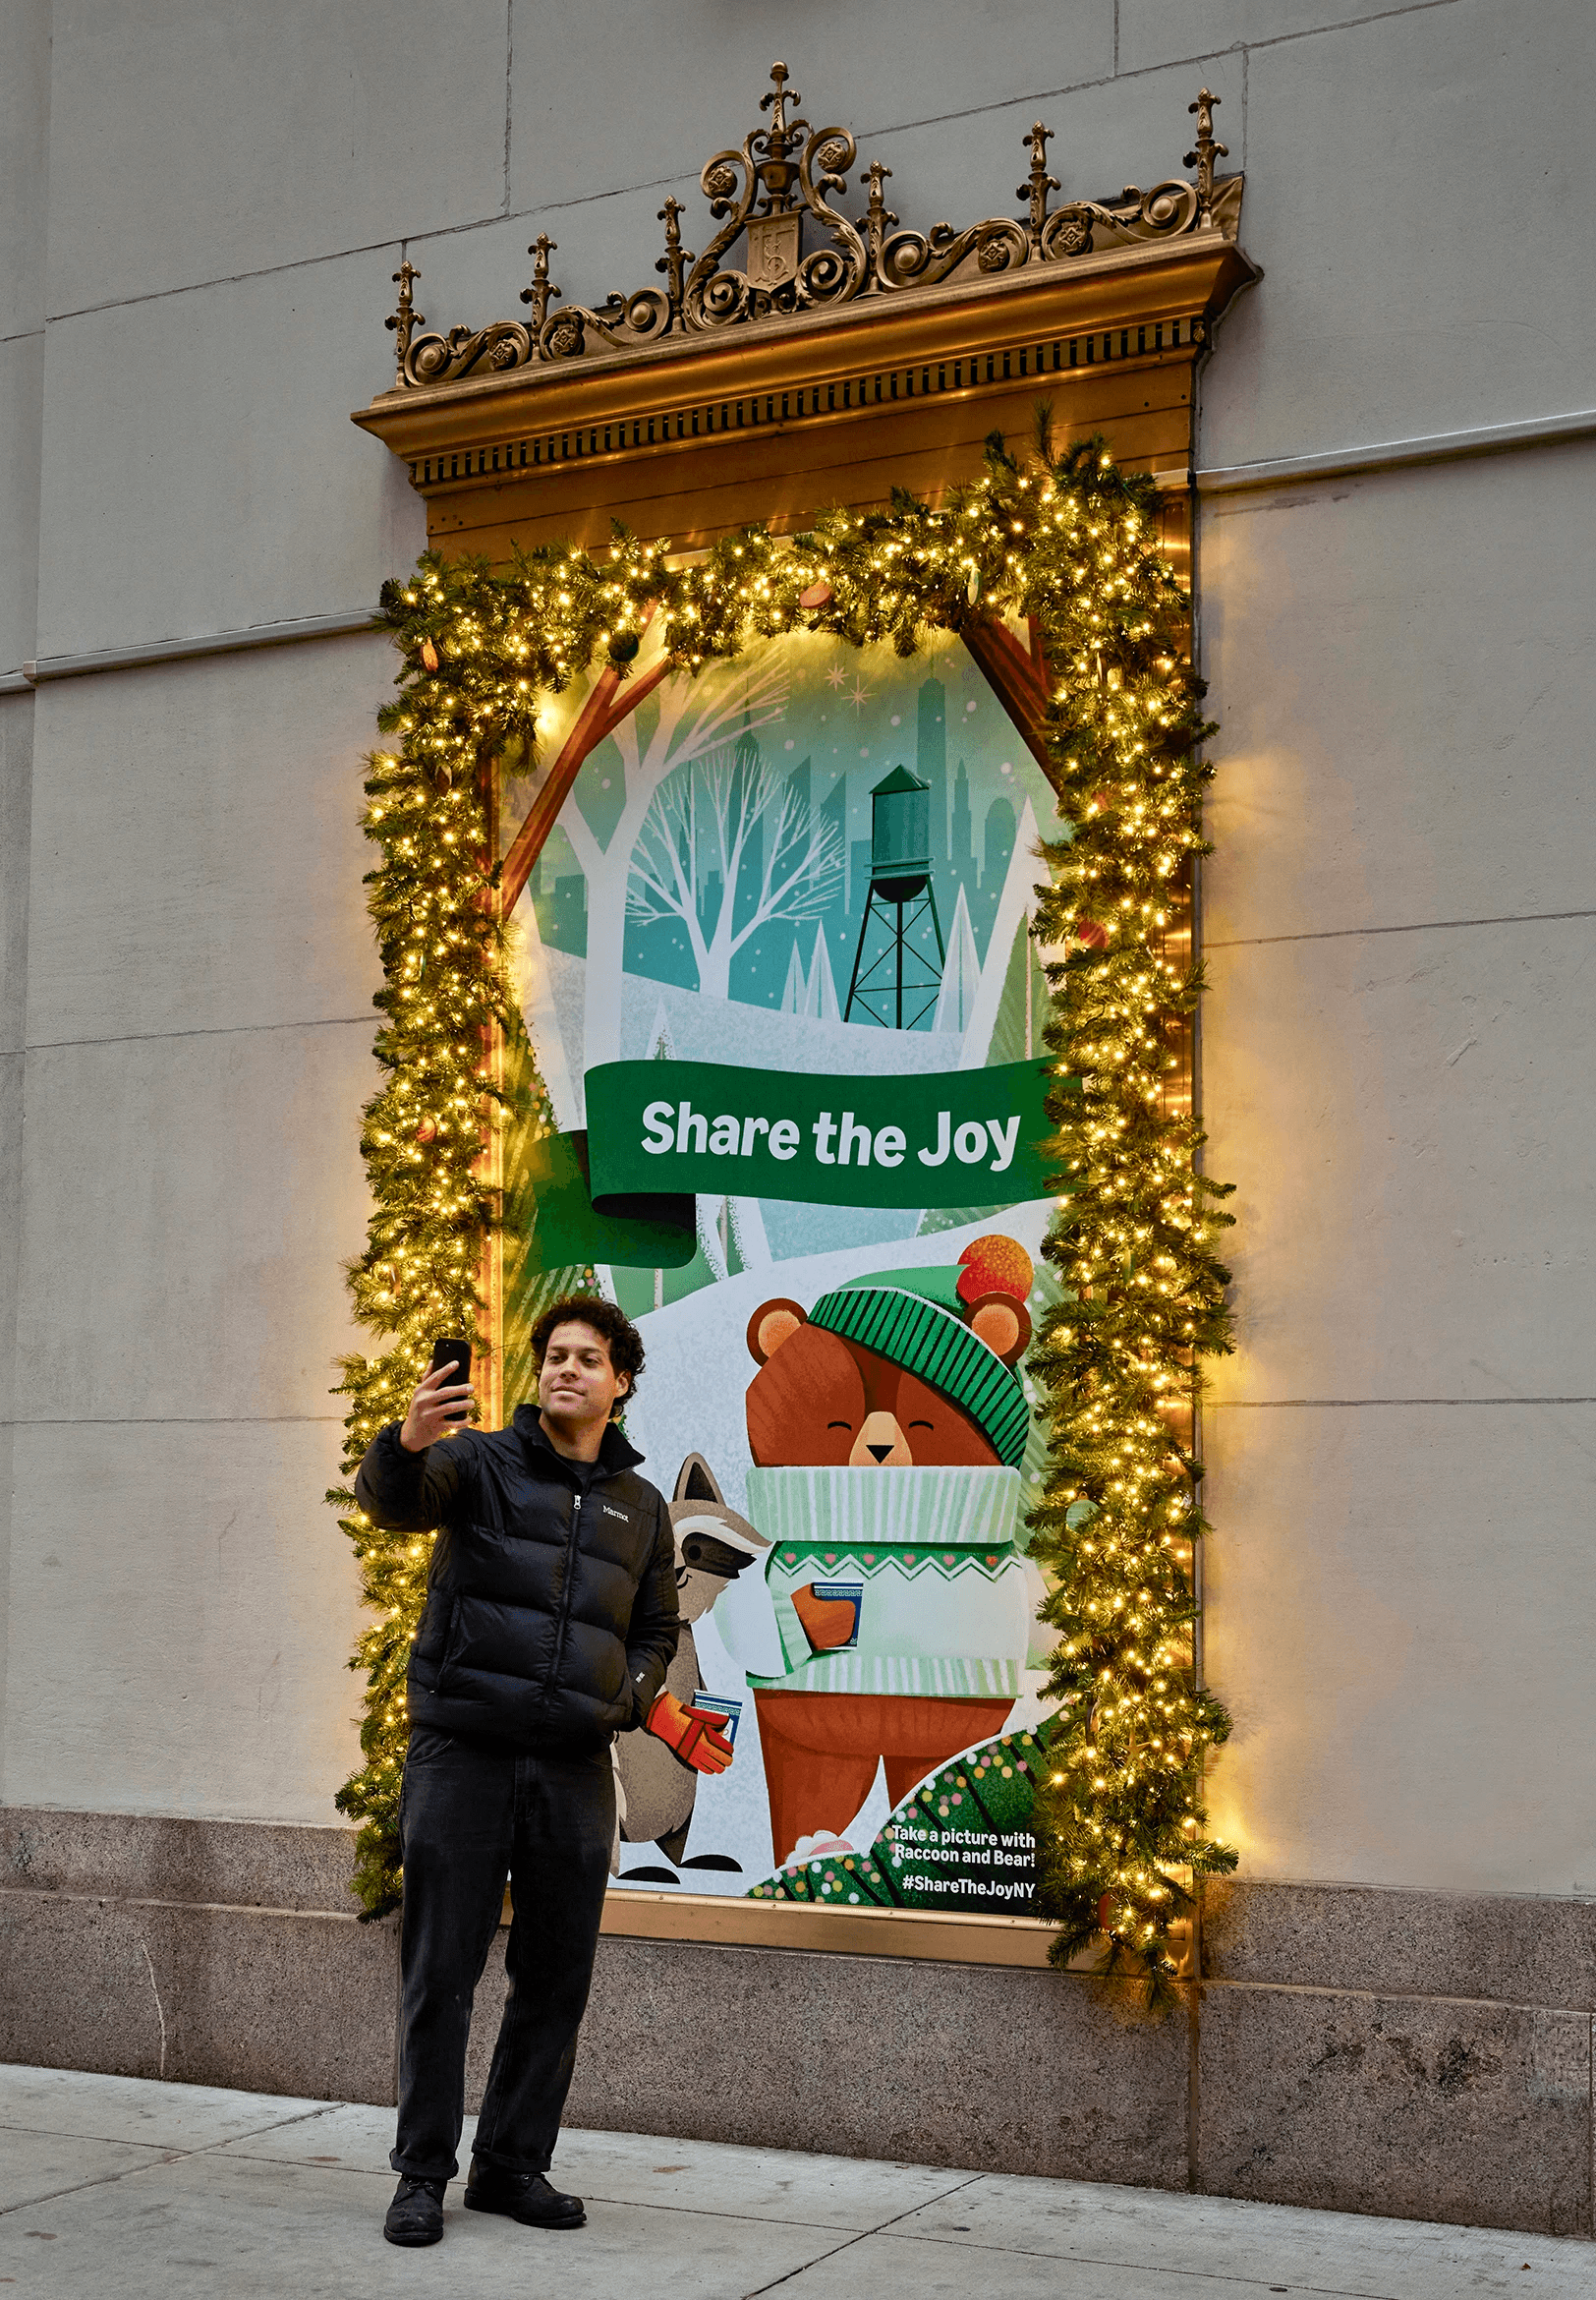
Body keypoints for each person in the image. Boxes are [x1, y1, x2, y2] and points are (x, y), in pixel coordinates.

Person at [355, 1294, 735, 2249]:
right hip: (463, 1756)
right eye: (554, 1355)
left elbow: (656, 1627)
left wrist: (626, 1688)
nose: (565, 1369)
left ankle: (511, 2165)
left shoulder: (639, 1508)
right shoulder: (477, 1465)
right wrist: (402, 1445)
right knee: (440, 1973)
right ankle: (420, 2175)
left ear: (620, 1381)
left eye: (585, 1358)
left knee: (555, 1977)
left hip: (574, 1764)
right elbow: (396, 1503)